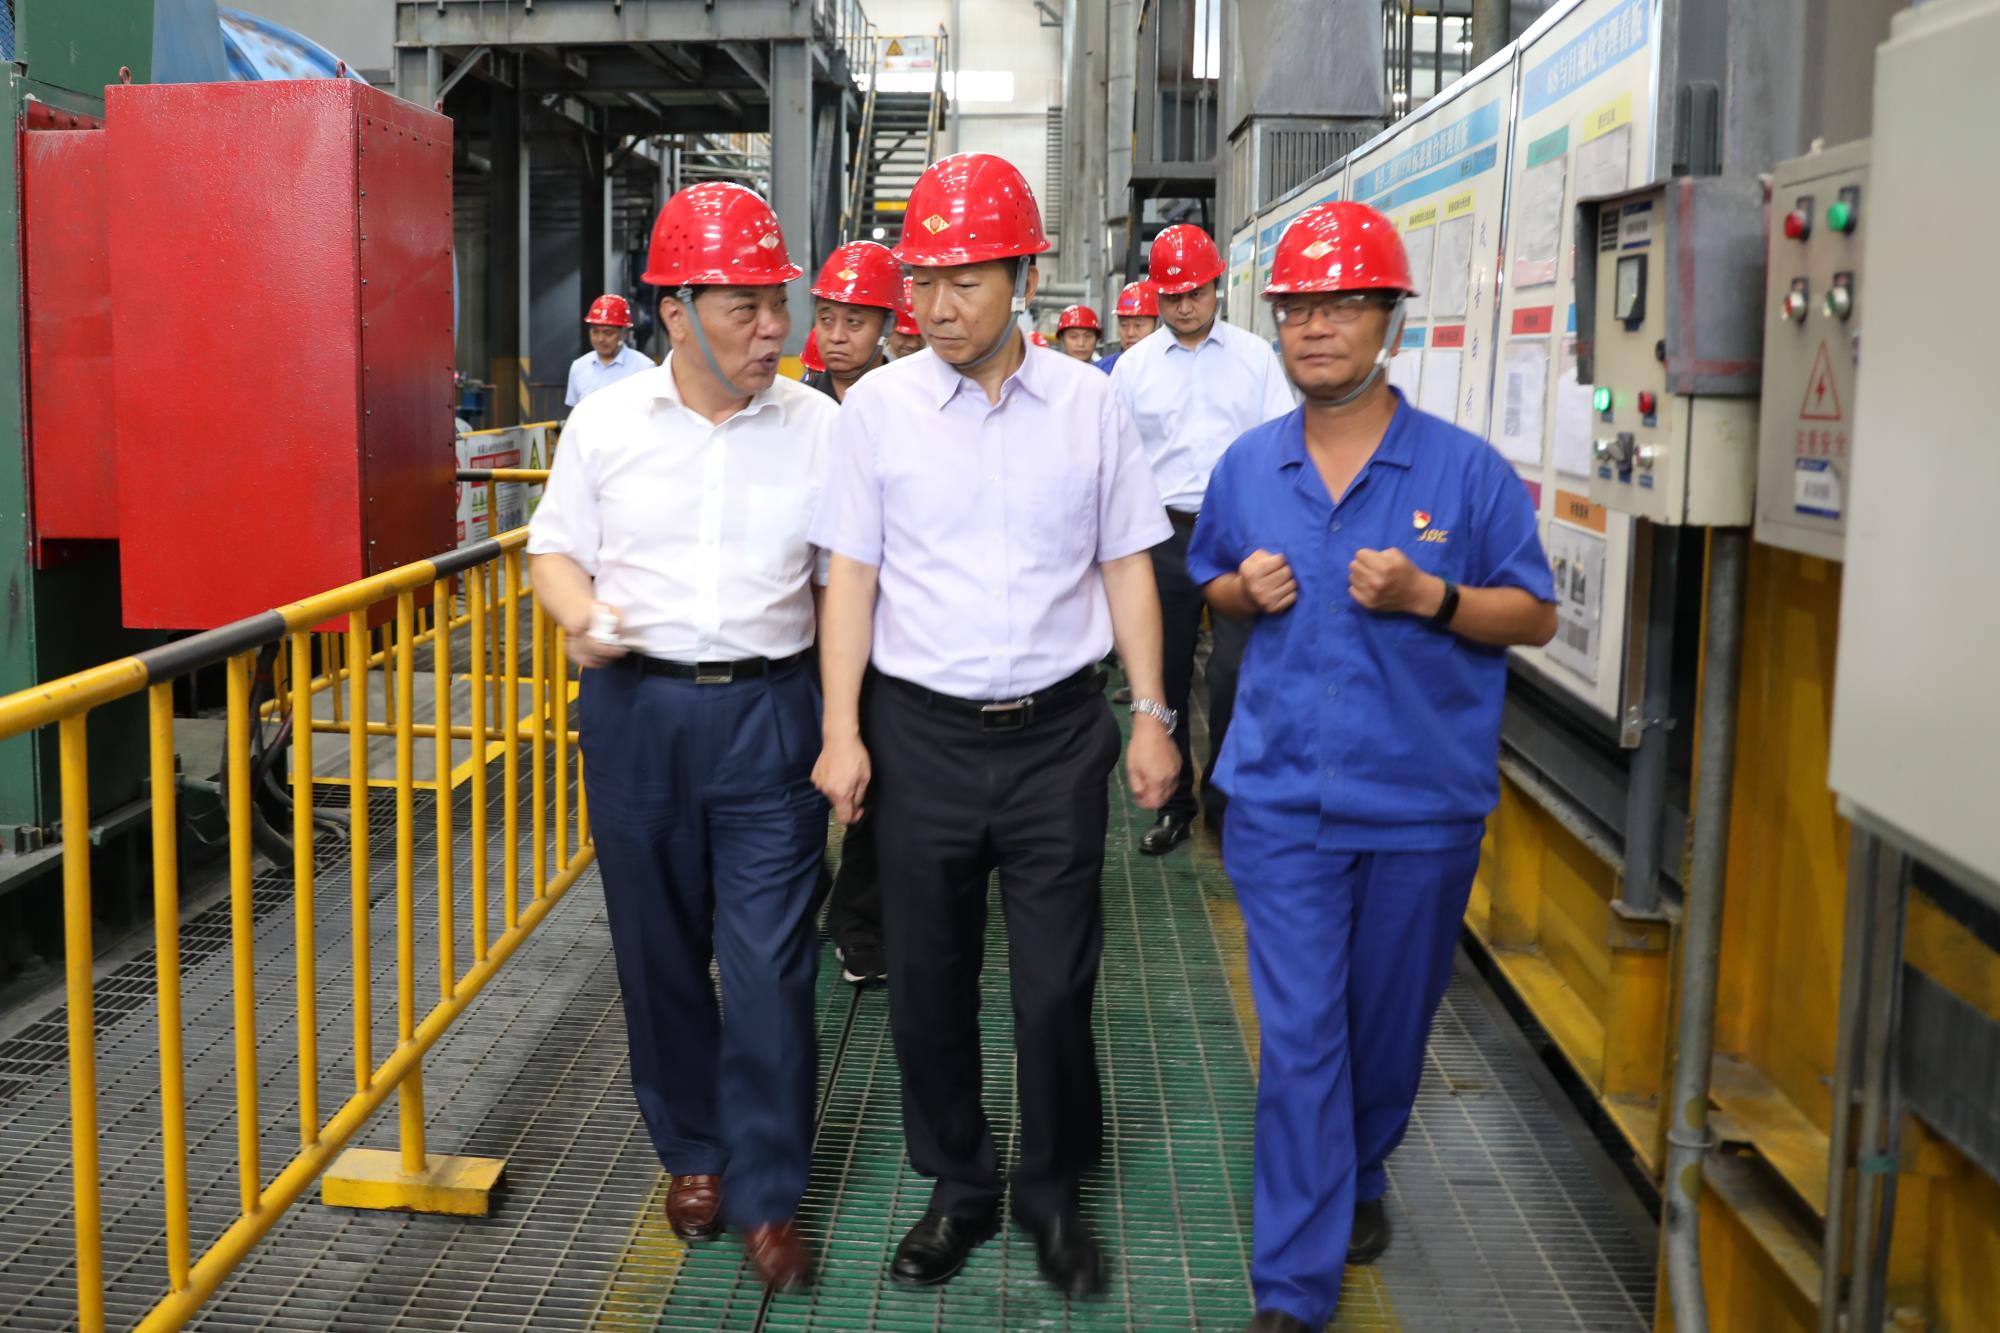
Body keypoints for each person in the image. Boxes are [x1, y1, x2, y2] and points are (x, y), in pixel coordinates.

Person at [809, 151, 1179, 1297]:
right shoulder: (876, 411)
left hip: (1058, 736)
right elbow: (851, 577)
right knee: (927, 977)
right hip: (917, 735)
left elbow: (1127, 562)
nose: (935, 305)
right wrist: (841, 729)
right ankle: (959, 1183)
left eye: (963, 280)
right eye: (921, 280)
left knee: (1054, 982)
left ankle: (1051, 1189)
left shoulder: (1089, 405)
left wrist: (1151, 713)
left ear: (1021, 277)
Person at [1185, 201, 1557, 1333]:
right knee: (1302, 1040)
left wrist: (1431, 596)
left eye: (1344, 304)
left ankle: (1361, 1167)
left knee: (1384, 1033)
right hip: (1280, 801)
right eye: (1298, 306)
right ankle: (1292, 1289)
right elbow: (1209, 578)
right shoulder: (1248, 466)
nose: (1316, 326)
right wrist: (1239, 591)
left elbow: (1533, 613)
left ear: (1390, 319)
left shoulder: (1464, 470)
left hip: (1419, 805)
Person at [527, 181, 838, 1295]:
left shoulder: (819, 426)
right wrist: (581, 615)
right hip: (636, 714)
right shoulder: (607, 424)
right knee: (656, 951)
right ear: (677, 311)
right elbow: (554, 549)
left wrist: (844, 726)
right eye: (747, 307)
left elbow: (843, 585)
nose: (774, 329)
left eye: (778, 305)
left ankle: (766, 1190)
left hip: (771, 712)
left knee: (769, 967)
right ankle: (694, 1149)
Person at [1110, 223, 1295, 856]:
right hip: (1161, 533)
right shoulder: (1133, 369)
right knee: (1159, 675)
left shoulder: (1255, 358)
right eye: (1172, 296)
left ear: (1218, 287)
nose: (1186, 306)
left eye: (1196, 292)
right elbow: (1115, 460)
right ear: (1156, 295)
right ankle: (1174, 807)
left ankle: (1224, 801)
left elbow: (1281, 446)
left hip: (1239, 534)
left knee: (1234, 674)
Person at [801, 240, 904, 984]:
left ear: (887, 325)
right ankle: (805, 889)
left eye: (856, 321)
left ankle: (860, 919)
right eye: (827, 318)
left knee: (876, 774)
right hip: (794, 629)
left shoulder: (909, 407)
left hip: (881, 627)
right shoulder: (788, 409)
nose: (838, 335)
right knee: (793, 779)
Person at [565, 293, 655, 407]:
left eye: (608, 333)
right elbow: (575, 412)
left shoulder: (644, 368)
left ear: (624, 333)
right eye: (595, 332)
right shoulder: (579, 367)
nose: (600, 339)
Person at [1093, 280, 1159, 377]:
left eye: (1138, 325)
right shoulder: (1100, 371)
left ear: (1157, 326)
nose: (1130, 333)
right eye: (1124, 325)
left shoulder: (1169, 369)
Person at [887, 276, 927, 359]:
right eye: (905, 335)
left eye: (920, 335)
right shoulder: (875, 363)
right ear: (887, 328)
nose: (913, 344)